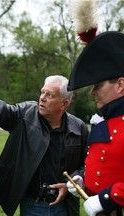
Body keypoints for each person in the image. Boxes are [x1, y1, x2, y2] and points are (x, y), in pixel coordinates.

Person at [0, 65, 89, 216]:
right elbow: (1, 110)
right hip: (32, 204)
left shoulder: (78, 127)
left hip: (66, 206)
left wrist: (69, 185)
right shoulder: (25, 114)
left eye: (49, 95)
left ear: (64, 104)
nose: (42, 97)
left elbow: (87, 164)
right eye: (42, 92)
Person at [66, 31, 124, 216]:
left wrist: (108, 197)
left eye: (98, 85)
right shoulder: (103, 121)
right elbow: (103, 163)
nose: (92, 92)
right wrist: (83, 180)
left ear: (120, 84)